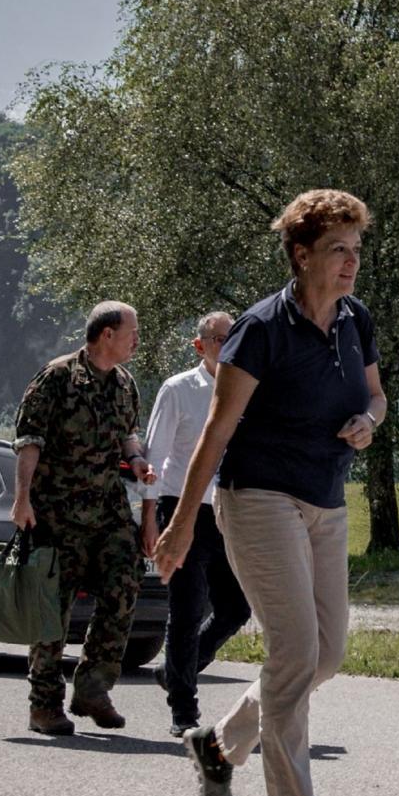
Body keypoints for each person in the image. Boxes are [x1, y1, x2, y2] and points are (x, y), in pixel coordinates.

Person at [156, 190, 385, 796]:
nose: (351, 264)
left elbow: (375, 394)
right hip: (258, 498)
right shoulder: (261, 330)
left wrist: (370, 421)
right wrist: (179, 528)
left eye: (357, 250)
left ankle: (219, 745)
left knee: (327, 654)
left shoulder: (354, 320)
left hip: (325, 500)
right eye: (338, 250)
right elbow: (216, 431)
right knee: (294, 649)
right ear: (301, 254)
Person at [9, 302, 156, 736]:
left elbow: (128, 436)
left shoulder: (125, 384)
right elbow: (29, 441)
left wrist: (138, 461)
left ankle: (93, 687)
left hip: (108, 509)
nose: (137, 340)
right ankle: (44, 706)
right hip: (57, 512)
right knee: (52, 609)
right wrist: (22, 500)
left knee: (125, 586)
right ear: (106, 334)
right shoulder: (57, 377)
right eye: (132, 331)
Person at [139, 310, 251, 736]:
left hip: (227, 509)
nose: (227, 345)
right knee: (186, 610)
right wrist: (151, 518)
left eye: (233, 337)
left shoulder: (245, 389)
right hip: (181, 507)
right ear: (200, 345)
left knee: (237, 606)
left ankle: (175, 670)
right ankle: (183, 710)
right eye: (219, 338)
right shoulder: (178, 389)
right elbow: (154, 456)